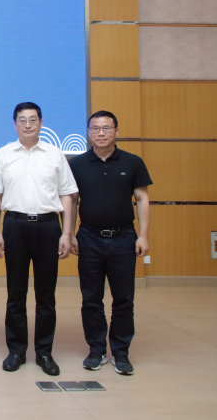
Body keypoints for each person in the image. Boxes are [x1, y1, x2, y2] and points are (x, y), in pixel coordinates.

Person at [0, 102, 78, 376]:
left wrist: (67, 232)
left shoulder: (55, 154)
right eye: (22, 120)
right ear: (14, 124)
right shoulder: (4, 155)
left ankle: (44, 352)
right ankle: (16, 351)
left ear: (40, 123)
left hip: (48, 226)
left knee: (46, 295)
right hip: (14, 225)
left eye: (32, 120)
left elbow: (67, 195)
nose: (27, 125)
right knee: (15, 294)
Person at [69, 110, 151, 376]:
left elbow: (142, 199)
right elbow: (71, 201)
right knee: (91, 298)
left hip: (123, 239)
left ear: (116, 131)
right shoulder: (77, 164)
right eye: (95, 128)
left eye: (106, 128)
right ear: (88, 133)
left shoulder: (133, 162)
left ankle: (121, 352)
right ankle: (96, 350)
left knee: (124, 299)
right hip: (89, 238)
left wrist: (143, 236)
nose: (101, 133)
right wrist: (69, 234)